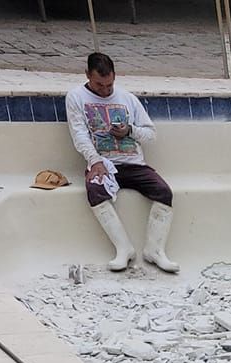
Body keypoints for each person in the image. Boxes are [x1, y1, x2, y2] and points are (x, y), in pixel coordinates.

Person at [65, 52, 178, 276]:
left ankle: (154, 250)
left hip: (133, 163)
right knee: (95, 190)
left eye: (109, 84)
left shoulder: (127, 98)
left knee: (163, 192)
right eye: (99, 84)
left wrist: (130, 131)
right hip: (103, 163)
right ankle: (123, 248)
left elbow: (151, 134)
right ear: (87, 75)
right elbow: (79, 134)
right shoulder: (76, 97)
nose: (105, 90)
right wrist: (95, 161)